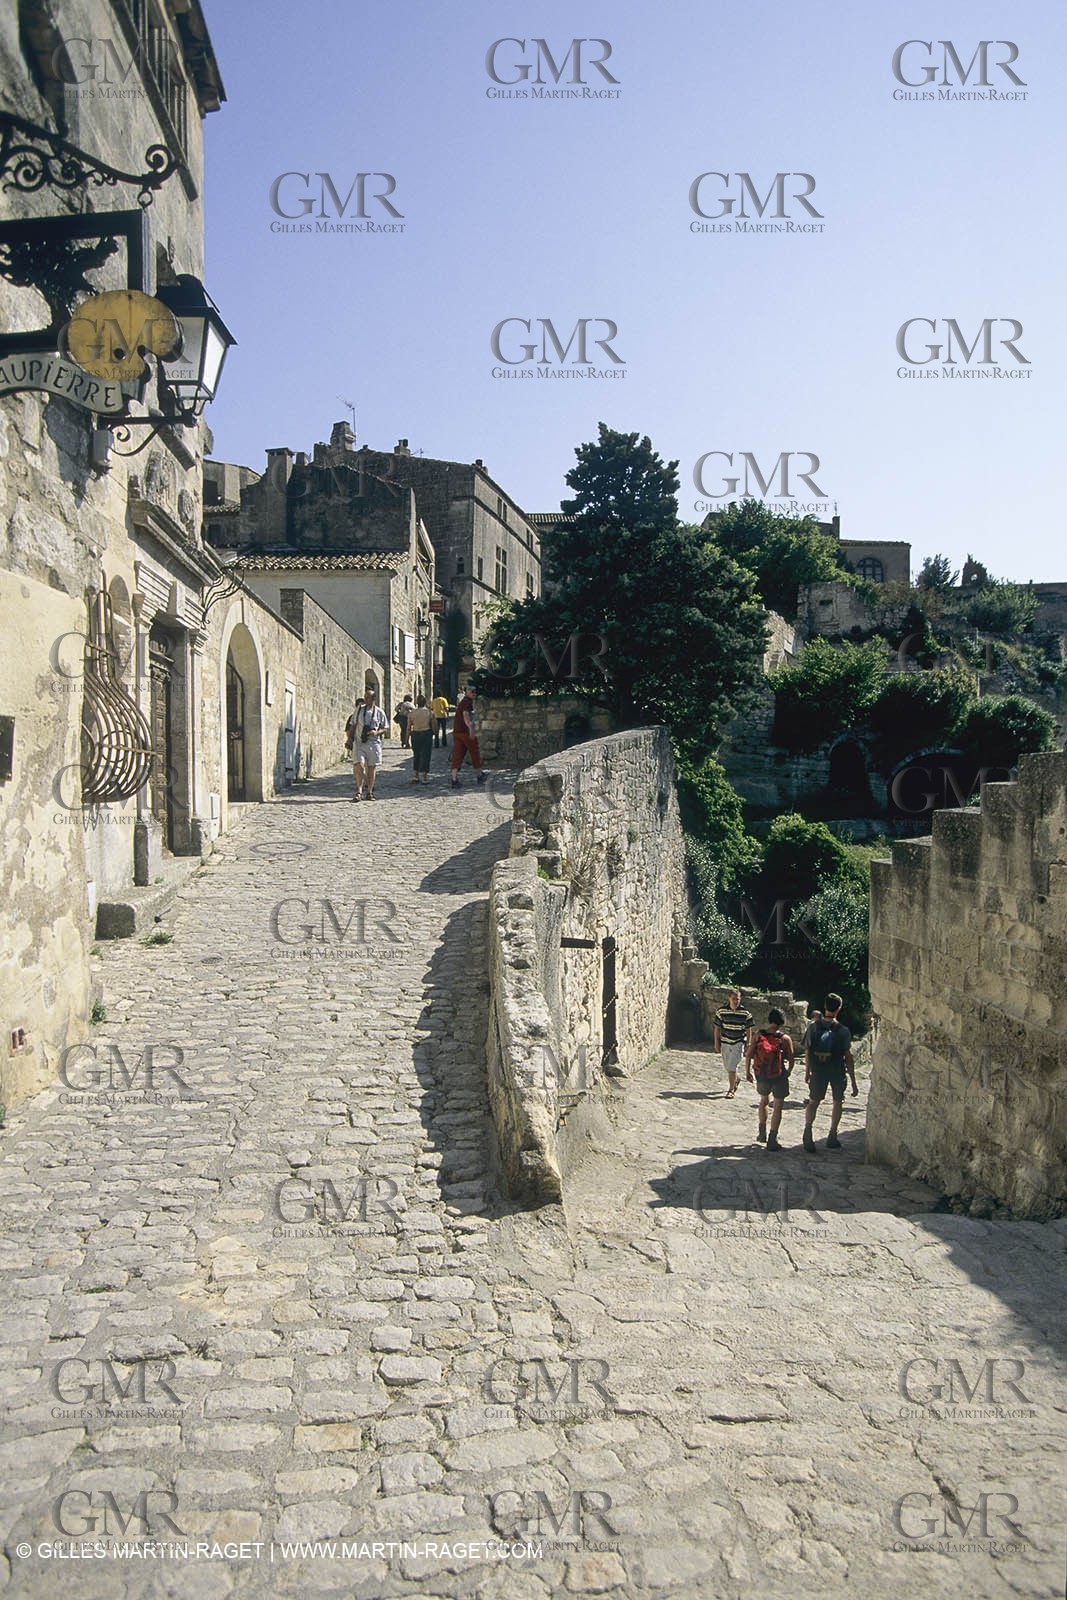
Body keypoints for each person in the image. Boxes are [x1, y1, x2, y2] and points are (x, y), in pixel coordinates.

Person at [802, 992, 858, 1153]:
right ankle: (832, 1135)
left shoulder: (813, 1026)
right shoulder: (843, 1031)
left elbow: (807, 1050)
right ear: (839, 1009)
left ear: (825, 1006)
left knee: (813, 1102)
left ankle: (808, 1130)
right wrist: (853, 1081)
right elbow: (848, 1057)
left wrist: (808, 1072)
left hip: (818, 1070)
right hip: (837, 1070)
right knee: (837, 1102)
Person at [745, 1007, 795, 1151]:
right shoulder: (785, 1039)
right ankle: (773, 1138)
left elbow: (749, 1054)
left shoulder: (759, 1036)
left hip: (762, 1074)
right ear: (782, 1022)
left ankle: (762, 1132)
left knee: (764, 1101)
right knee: (778, 1106)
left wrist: (748, 1072)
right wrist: (789, 1072)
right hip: (779, 1075)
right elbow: (791, 1059)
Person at [345, 686, 388, 800]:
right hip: (360, 742)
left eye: (368, 697)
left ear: (374, 699)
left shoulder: (379, 712)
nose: (366, 700)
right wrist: (350, 738)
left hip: (373, 744)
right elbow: (353, 725)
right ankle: (359, 791)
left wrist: (376, 732)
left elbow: (385, 728)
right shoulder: (359, 710)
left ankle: (369, 791)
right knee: (359, 764)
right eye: (365, 697)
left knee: (371, 768)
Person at [713, 989, 754, 1098]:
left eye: (738, 999)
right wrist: (716, 1043)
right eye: (734, 999)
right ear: (729, 998)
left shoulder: (745, 1013)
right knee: (728, 1067)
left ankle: (731, 1090)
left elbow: (749, 1029)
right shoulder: (721, 1011)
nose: (736, 1001)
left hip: (738, 1042)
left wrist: (748, 1043)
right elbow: (717, 1028)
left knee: (732, 1067)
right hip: (725, 1042)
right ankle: (736, 1079)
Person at [450, 685, 486, 787]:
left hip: (457, 732)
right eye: (472, 692)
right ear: (467, 692)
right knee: (474, 751)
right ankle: (479, 775)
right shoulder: (467, 702)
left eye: (475, 692)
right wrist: (470, 728)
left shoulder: (463, 702)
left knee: (458, 754)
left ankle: (454, 778)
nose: (474, 694)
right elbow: (465, 715)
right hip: (465, 732)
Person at [408, 694, 434, 785]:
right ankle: (424, 777)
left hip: (415, 734)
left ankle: (415, 775)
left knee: (416, 755)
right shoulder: (429, 712)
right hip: (426, 733)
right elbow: (433, 724)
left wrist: (406, 739)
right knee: (426, 755)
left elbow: (408, 727)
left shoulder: (412, 713)